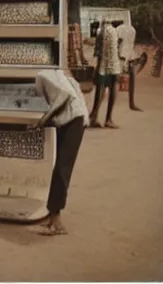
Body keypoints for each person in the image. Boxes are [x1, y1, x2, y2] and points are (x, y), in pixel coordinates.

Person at [34, 69, 89, 235]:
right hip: (72, 120)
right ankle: (52, 217)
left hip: (74, 121)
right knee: (59, 167)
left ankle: (57, 221)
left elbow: (63, 96)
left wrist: (42, 121)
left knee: (62, 169)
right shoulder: (56, 73)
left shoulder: (42, 75)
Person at [89, 20, 121, 128]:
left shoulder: (100, 32)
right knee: (113, 89)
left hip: (103, 65)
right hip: (113, 65)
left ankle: (94, 116)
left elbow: (97, 51)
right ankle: (107, 119)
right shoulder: (114, 32)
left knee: (100, 90)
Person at [116, 23, 148, 111]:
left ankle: (131, 103)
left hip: (124, 56)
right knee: (129, 79)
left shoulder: (120, 30)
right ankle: (131, 103)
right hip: (127, 56)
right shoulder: (131, 30)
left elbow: (119, 43)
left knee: (125, 79)